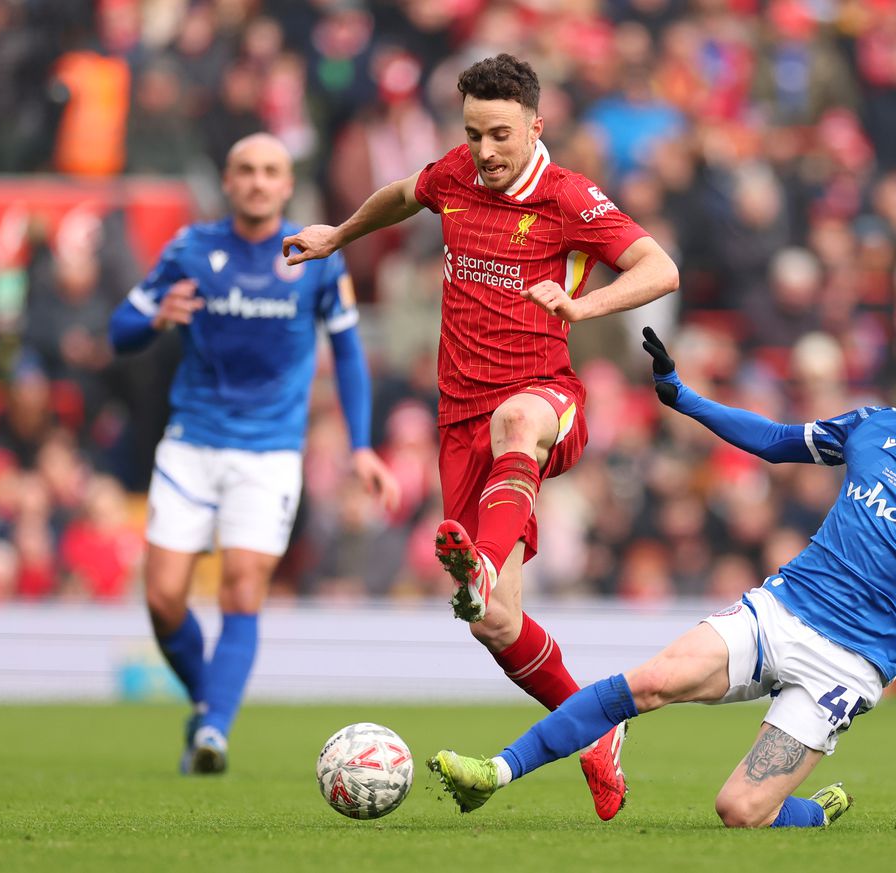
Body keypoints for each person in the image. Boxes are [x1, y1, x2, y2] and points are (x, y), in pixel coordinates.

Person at [282, 54, 679, 819]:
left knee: (516, 423)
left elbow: (658, 268)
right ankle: (598, 731)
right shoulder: (456, 175)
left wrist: (579, 307)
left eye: (500, 134)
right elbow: (404, 193)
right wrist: (339, 233)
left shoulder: (569, 198)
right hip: (459, 420)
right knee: (491, 619)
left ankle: (481, 561)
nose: (486, 151)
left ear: (537, 126)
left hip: (543, 398)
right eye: (473, 134)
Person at [426, 328, 896, 829]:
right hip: (783, 610)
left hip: (851, 664)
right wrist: (684, 396)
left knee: (739, 810)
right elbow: (773, 441)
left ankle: (813, 814)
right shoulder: (877, 427)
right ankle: (494, 773)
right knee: (652, 680)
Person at [108, 133, 400, 775]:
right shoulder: (191, 249)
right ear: (230, 181)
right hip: (191, 444)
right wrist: (156, 314)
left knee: (243, 587)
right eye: (246, 170)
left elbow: (349, 352)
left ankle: (213, 729)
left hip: (269, 452)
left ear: (287, 183)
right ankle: (207, 703)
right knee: (162, 600)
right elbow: (118, 331)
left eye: (271, 171)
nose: (259, 181)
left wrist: (359, 446)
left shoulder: (316, 255)